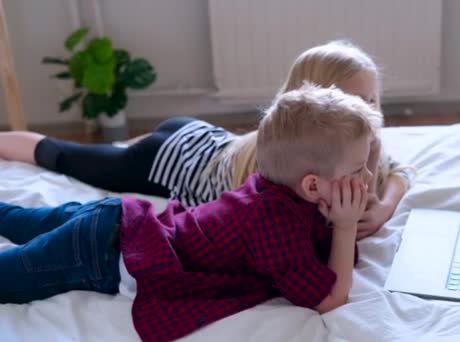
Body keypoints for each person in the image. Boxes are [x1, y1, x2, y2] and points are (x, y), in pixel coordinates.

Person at [0, 85, 378, 342]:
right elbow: (327, 299)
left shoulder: (283, 192)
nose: (368, 178)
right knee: (10, 276)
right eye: (358, 170)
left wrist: (338, 220)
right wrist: (344, 228)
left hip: (116, 220)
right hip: (99, 252)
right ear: (311, 185)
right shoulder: (275, 221)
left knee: (17, 219)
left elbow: (322, 257)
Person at [0, 40, 414, 239]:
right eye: (356, 101)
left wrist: (384, 207)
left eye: (374, 99)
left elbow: (399, 171)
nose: (372, 112)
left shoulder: (358, 144)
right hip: (170, 159)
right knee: (64, 156)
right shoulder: (277, 173)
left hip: (206, 138)